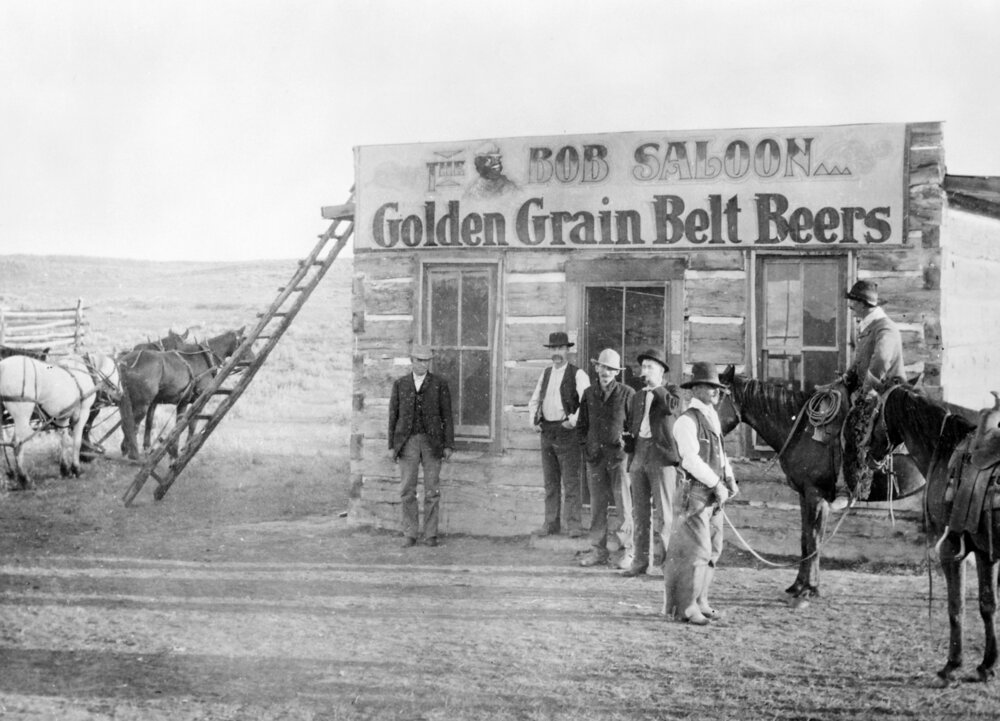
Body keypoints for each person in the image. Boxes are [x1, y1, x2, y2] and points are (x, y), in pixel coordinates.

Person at [663, 361, 738, 625]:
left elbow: (720, 453)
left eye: (717, 387)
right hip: (694, 496)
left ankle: (701, 601)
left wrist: (729, 479)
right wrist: (717, 483)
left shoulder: (712, 417)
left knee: (714, 549)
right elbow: (690, 460)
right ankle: (686, 607)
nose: (715, 392)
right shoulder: (686, 421)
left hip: (713, 497)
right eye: (709, 387)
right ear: (694, 390)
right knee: (697, 551)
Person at [833, 279, 906, 509]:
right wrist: (845, 379)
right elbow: (861, 362)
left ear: (864, 304)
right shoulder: (869, 327)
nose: (850, 306)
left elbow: (881, 361)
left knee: (854, 427)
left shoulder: (885, 328)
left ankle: (851, 490)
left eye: (853, 302)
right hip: (874, 390)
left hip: (888, 393)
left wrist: (866, 391)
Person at [621, 348, 684, 577]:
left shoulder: (671, 391)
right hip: (639, 454)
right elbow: (633, 425)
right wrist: (628, 439)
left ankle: (668, 565)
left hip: (662, 457)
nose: (645, 371)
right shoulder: (638, 396)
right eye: (643, 367)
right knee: (640, 512)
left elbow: (673, 408)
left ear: (661, 371)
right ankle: (640, 562)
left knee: (665, 514)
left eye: (650, 367)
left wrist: (657, 387)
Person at [388, 344, 455, 548]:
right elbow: (393, 416)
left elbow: (447, 416)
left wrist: (448, 444)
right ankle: (410, 533)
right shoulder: (400, 384)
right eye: (419, 360)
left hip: (432, 443)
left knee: (432, 489)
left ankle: (430, 534)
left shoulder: (439, 384)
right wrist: (392, 445)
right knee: (407, 488)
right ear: (412, 360)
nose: (422, 364)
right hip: (407, 442)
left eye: (426, 360)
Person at [527, 331, 591, 538]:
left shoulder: (578, 374)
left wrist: (572, 421)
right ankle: (551, 523)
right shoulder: (545, 373)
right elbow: (535, 400)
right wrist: (533, 420)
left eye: (561, 348)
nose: (557, 353)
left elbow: (586, 402)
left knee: (571, 481)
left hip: (567, 433)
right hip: (547, 432)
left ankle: (573, 525)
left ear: (568, 350)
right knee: (550, 482)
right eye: (553, 349)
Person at [576, 349, 635, 567]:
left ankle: (626, 551)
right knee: (597, 505)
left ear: (617, 372)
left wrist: (625, 445)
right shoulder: (589, 393)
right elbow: (582, 426)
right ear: (596, 368)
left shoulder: (627, 393)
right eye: (603, 367)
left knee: (623, 505)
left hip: (619, 459)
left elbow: (634, 426)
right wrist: (587, 447)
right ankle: (598, 550)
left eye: (610, 369)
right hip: (595, 458)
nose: (606, 372)